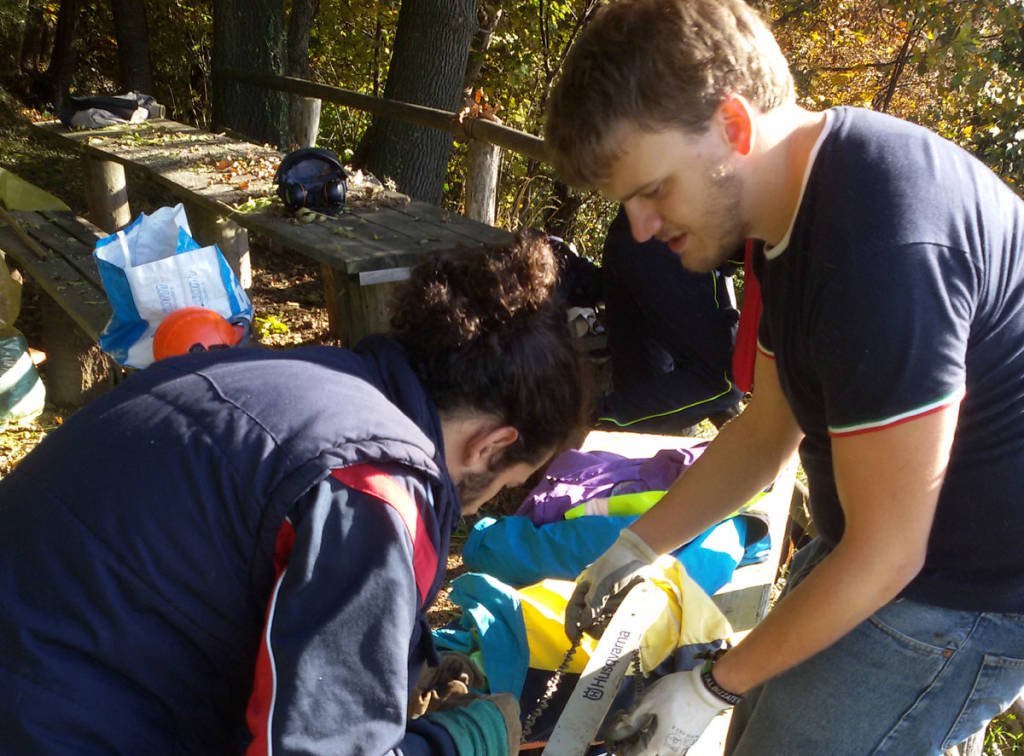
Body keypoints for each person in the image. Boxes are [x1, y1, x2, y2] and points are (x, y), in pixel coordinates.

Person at [544, 0, 1024, 753]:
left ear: (733, 129)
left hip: (971, 589)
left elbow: (892, 551)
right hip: (879, 541)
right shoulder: (783, 213)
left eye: (653, 190)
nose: (638, 229)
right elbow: (768, 429)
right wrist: (635, 547)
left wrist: (712, 683)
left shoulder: (880, 246)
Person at [0, 232, 588, 755]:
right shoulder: (378, 487)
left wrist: (400, 660)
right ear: (492, 446)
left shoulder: (288, 377)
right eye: (506, 485)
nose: (480, 507)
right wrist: (451, 743)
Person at [595, 205, 743, 434]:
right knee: (728, 379)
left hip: (635, 231)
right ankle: (581, 423)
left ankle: (577, 424)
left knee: (651, 414)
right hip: (672, 237)